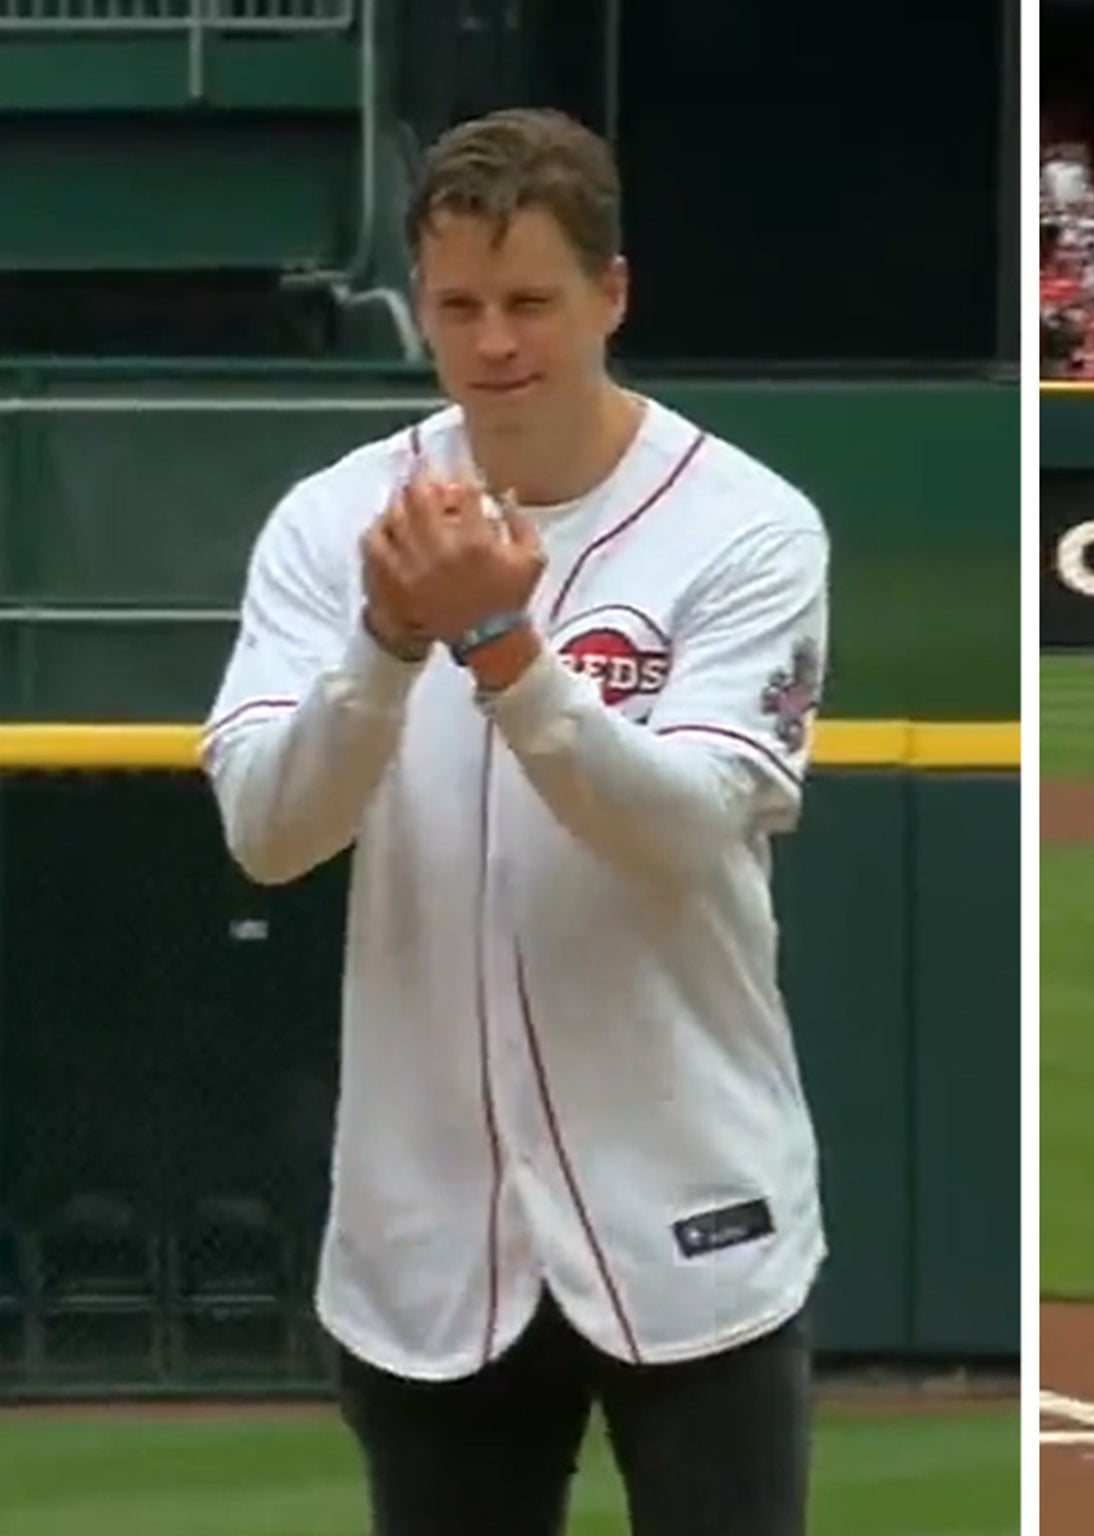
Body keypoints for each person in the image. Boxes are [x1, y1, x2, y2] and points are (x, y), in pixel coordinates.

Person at [201, 105, 830, 1536]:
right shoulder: (333, 521)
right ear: (421, 307)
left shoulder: (748, 526)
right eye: (460, 305)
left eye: (533, 301)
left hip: (689, 1196)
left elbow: (685, 833)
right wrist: (382, 641)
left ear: (612, 294)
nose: (496, 344)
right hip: (429, 1228)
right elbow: (269, 834)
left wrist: (502, 647)